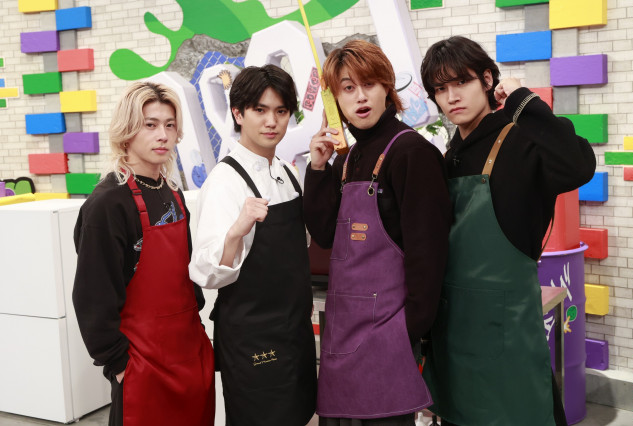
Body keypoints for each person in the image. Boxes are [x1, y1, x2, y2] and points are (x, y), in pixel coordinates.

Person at [419, 36, 596, 426]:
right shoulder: (449, 156)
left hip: (507, 336)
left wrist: (522, 100)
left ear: (487, 80)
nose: (451, 97)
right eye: (440, 89)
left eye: (461, 82)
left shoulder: (520, 142)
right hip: (452, 334)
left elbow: (578, 165)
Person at [304, 40, 452, 425]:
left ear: (387, 87)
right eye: (347, 88)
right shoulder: (349, 157)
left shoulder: (411, 153)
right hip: (343, 329)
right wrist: (317, 170)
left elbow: (429, 255)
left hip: (388, 333)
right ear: (335, 100)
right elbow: (324, 234)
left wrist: (406, 332)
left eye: (368, 84)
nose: (360, 97)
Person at [72, 82, 215, 425]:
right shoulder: (108, 204)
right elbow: (93, 297)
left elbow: (186, 276)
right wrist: (119, 364)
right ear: (127, 131)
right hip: (142, 365)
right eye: (150, 125)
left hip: (189, 354)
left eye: (169, 125)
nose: (162, 135)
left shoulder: (174, 194)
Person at [189, 64, 317, 426]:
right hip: (253, 337)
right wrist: (236, 231)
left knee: (299, 414)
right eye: (260, 110)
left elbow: (300, 245)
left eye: (281, 111)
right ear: (238, 113)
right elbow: (206, 272)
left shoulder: (288, 173)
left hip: (294, 331)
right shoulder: (225, 181)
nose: (271, 121)